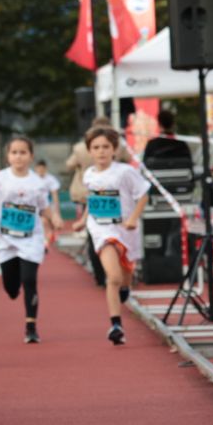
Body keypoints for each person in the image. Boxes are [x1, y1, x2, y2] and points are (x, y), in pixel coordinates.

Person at [75, 126, 150, 345]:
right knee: (113, 277)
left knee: (125, 277)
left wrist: (134, 218)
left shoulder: (125, 172)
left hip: (126, 229)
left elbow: (144, 194)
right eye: (96, 147)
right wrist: (82, 220)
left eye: (105, 147)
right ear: (89, 151)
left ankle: (125, 289)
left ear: (114, 149)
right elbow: (92, 199)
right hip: (101, 229)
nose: (101, 152)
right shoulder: (88, 174)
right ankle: (116, 324)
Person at [0, 135, 58, 343]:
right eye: (14, 152)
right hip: (5, 239)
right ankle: (12, 285)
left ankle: (31, 326)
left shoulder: (38, 183)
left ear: (31, 156)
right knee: (11, 287)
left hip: (31, 238)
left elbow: (44, 208)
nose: (18, 157)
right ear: (8, 156)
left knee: (29, 280)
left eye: (23, 152)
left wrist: (55, 219)